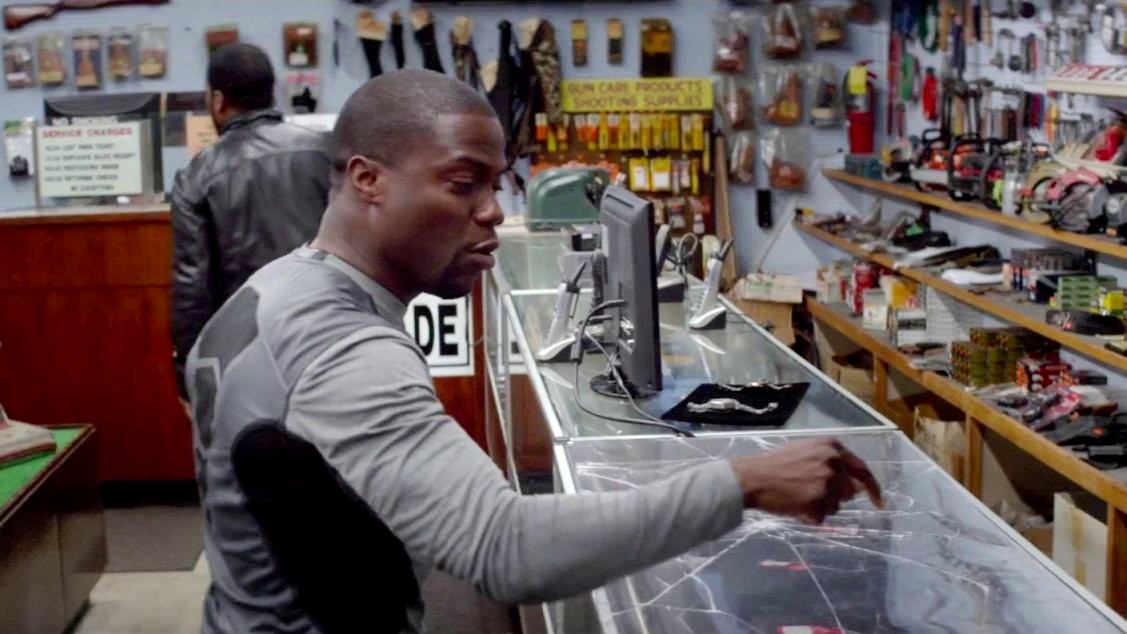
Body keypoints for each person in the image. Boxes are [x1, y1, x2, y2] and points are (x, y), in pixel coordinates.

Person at [185, 69, 882, 634]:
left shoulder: (273, 289)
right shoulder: (345, 346)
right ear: (368, 180)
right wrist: (744, 483)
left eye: (495, 184)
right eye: (463, 184)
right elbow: (505, 546)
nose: (493, 209)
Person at [170, 43, 331, 398]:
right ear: (271, 92)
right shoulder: (326, 152)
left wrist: (189, 378)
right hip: (330, 338)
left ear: (218, 100)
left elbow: (192, 290)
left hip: (249, 354)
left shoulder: (196, 176)